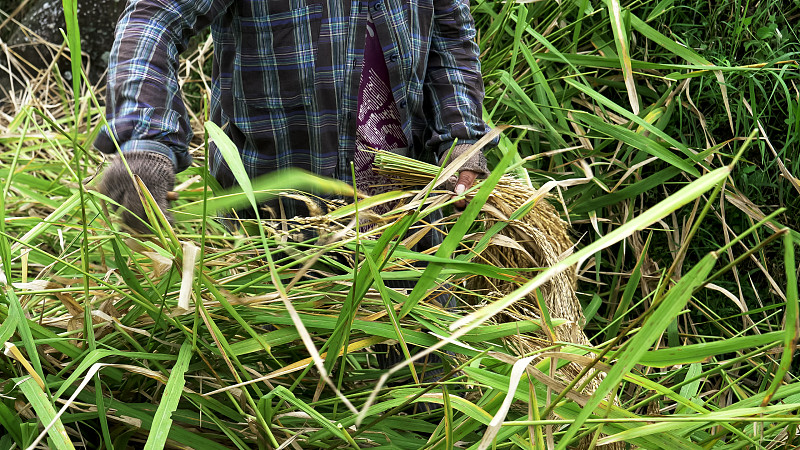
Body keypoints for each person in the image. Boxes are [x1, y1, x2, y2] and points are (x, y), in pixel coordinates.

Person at [95, 0, 493, 232]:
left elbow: (450, 33)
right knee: (278, 371)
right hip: (277, 228)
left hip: (409, 219)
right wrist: (145, 142)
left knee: (420, 369)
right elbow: (154, 20)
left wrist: (461, 141)